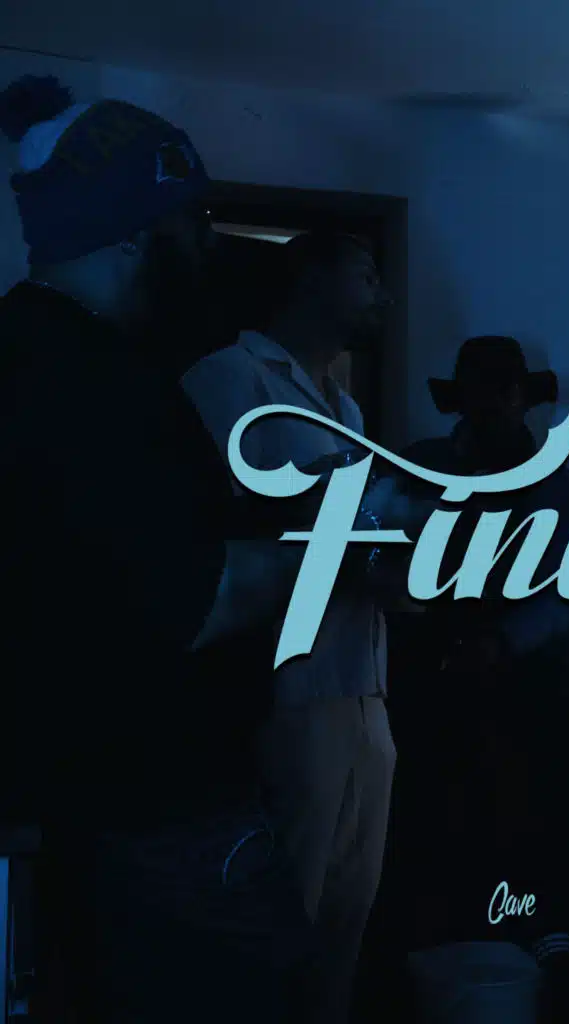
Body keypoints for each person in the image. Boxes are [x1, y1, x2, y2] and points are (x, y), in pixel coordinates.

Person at [0, 75, 313, 1022]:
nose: (209, 245)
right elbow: (200, 598)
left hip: (75, 814)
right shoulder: (92, 384)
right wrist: (346, 534)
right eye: (196, 221)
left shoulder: (33, 353)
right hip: (166, 827)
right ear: (139, 230)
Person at [183, 229, 423, 1024]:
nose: (383, 294)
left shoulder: (344, 405)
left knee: (345, 926)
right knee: (276, 928)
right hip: (288, 692)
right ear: (311, 278)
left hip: (363, 685)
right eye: (366, 274)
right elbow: (221, 524)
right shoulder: (229, 377)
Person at [381, 336, 569, 1022]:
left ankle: (538, 944)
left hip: (528, 691)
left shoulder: (561, 489)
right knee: (437, 826)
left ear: (521, 399)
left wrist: (503, 642)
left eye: (502, 393)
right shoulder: (418, 470)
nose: (492, 409)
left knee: (533, 821)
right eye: (481, 394)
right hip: (428, 684)